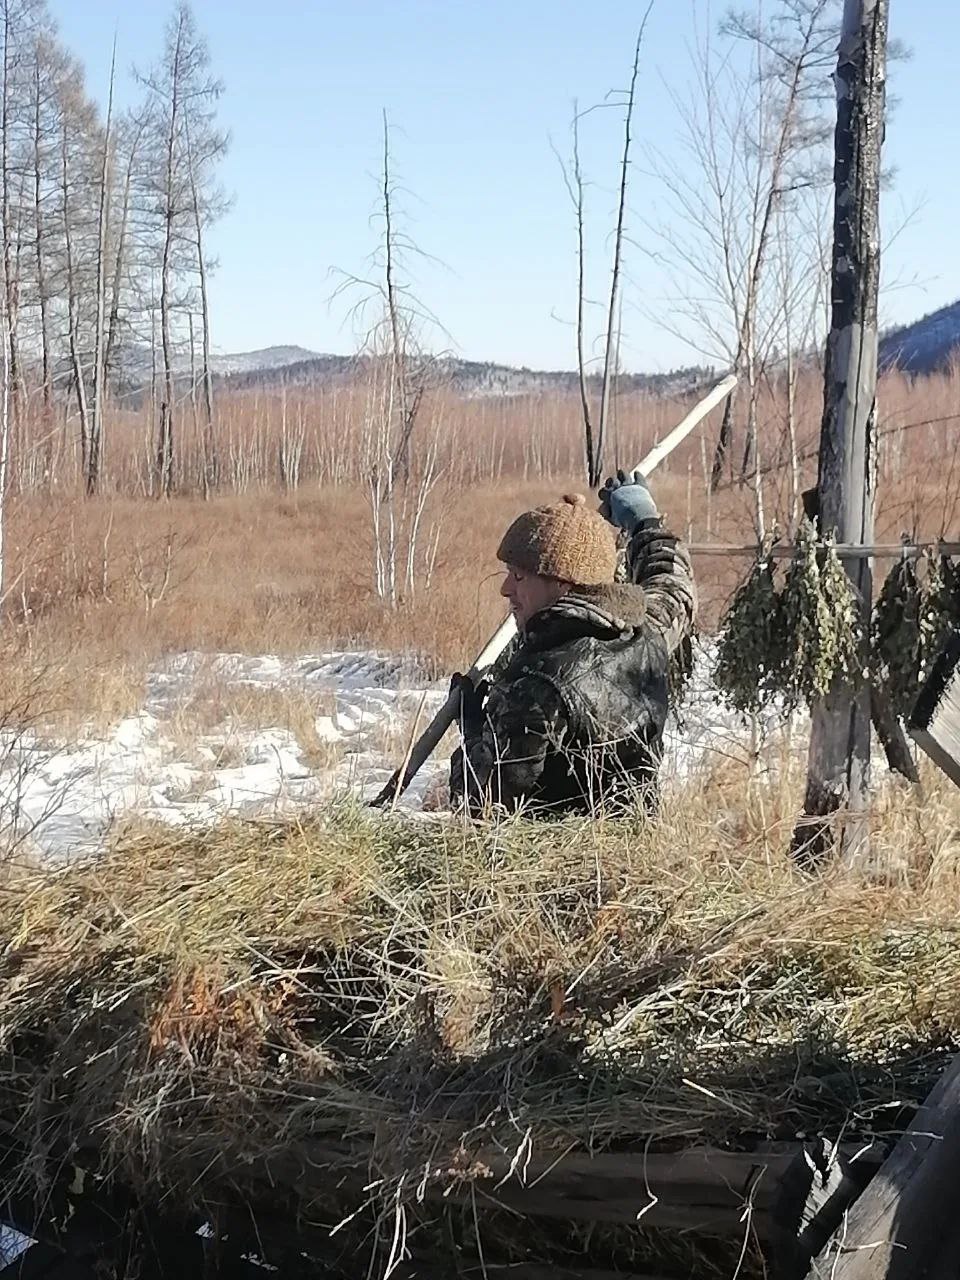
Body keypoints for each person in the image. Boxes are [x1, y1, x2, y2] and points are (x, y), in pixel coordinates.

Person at [449, 471, 696, 817]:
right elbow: (673, 588)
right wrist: (644, 520)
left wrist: (473, 725)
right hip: (632, 856)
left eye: (519, 576)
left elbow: (483, 803)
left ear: (564, 584)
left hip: (559, 866)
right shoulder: (645, 633)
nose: (506, 589)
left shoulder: (538, 684)